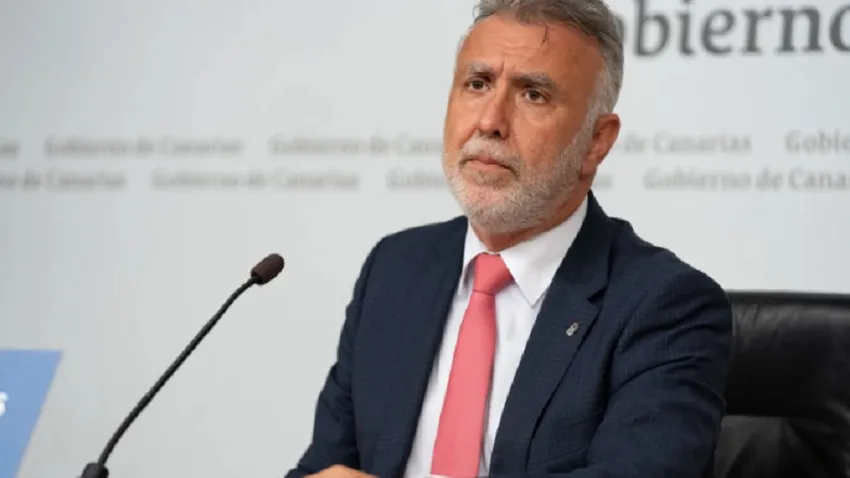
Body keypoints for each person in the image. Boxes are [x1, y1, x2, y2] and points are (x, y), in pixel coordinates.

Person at [286, 0, 733, 477]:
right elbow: (322, 467)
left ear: (596, 141)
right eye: (477, 84)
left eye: (533, 95)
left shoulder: (665, 306)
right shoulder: (395, 269)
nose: (490, 122)